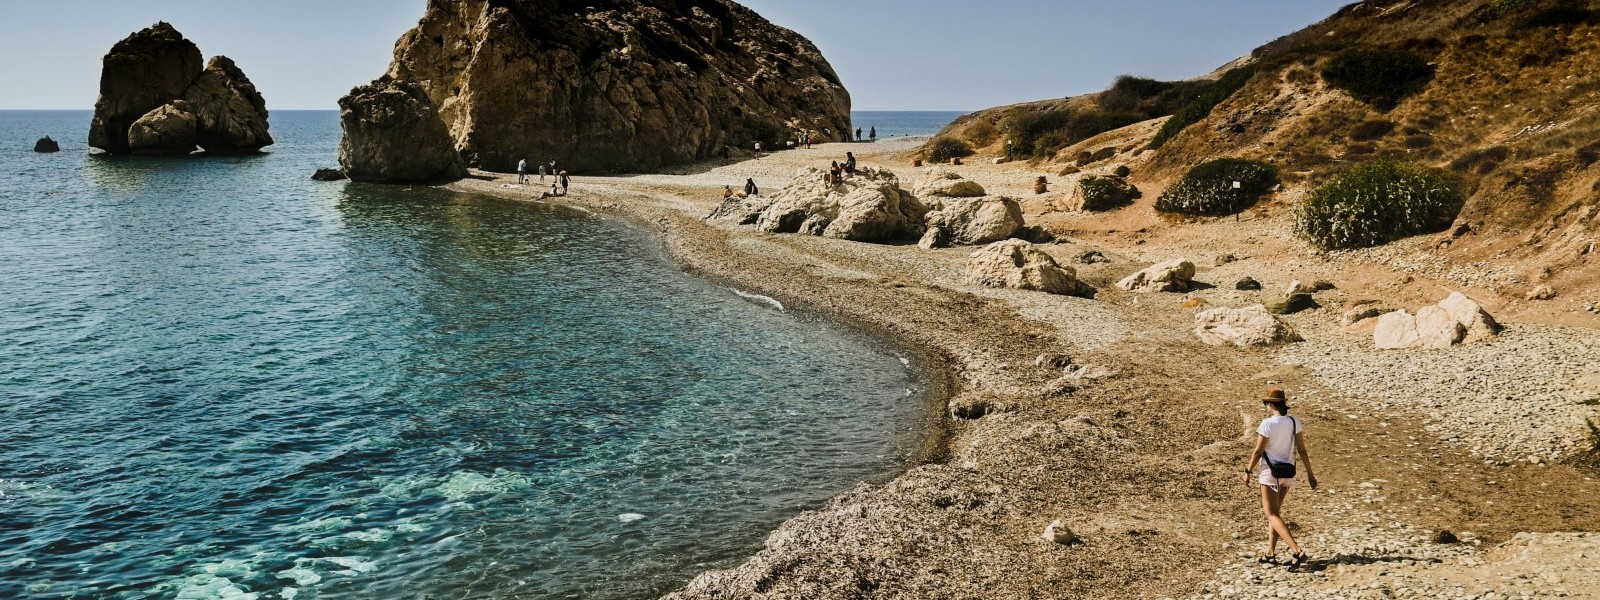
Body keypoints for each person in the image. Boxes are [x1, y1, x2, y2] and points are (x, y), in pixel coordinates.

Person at [1244, 388, 1318, 569]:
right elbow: (1302, 450)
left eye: (1266, 403)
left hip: (1270, 473)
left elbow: (1258, 451)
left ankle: (1297, 550)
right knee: (1275, 514)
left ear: (1270, 404)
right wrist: (1310, 474)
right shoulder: (1294, 421)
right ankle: (1270, 553)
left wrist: (1248, 471)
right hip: (1288, 473)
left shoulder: (1267, 424)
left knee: (1271, 514)